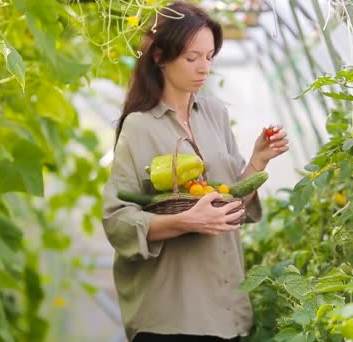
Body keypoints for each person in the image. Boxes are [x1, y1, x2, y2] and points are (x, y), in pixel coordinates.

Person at [102, 2, 289, 341]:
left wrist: (259, 160)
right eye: (192, 58)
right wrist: (186, 221)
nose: (204, 68)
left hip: (226, 310)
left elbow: (230, 204)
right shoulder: (139, 127)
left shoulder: (215, 113)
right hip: (171, 317)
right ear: (159, 57)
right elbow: (117, 222)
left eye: (209, 56)